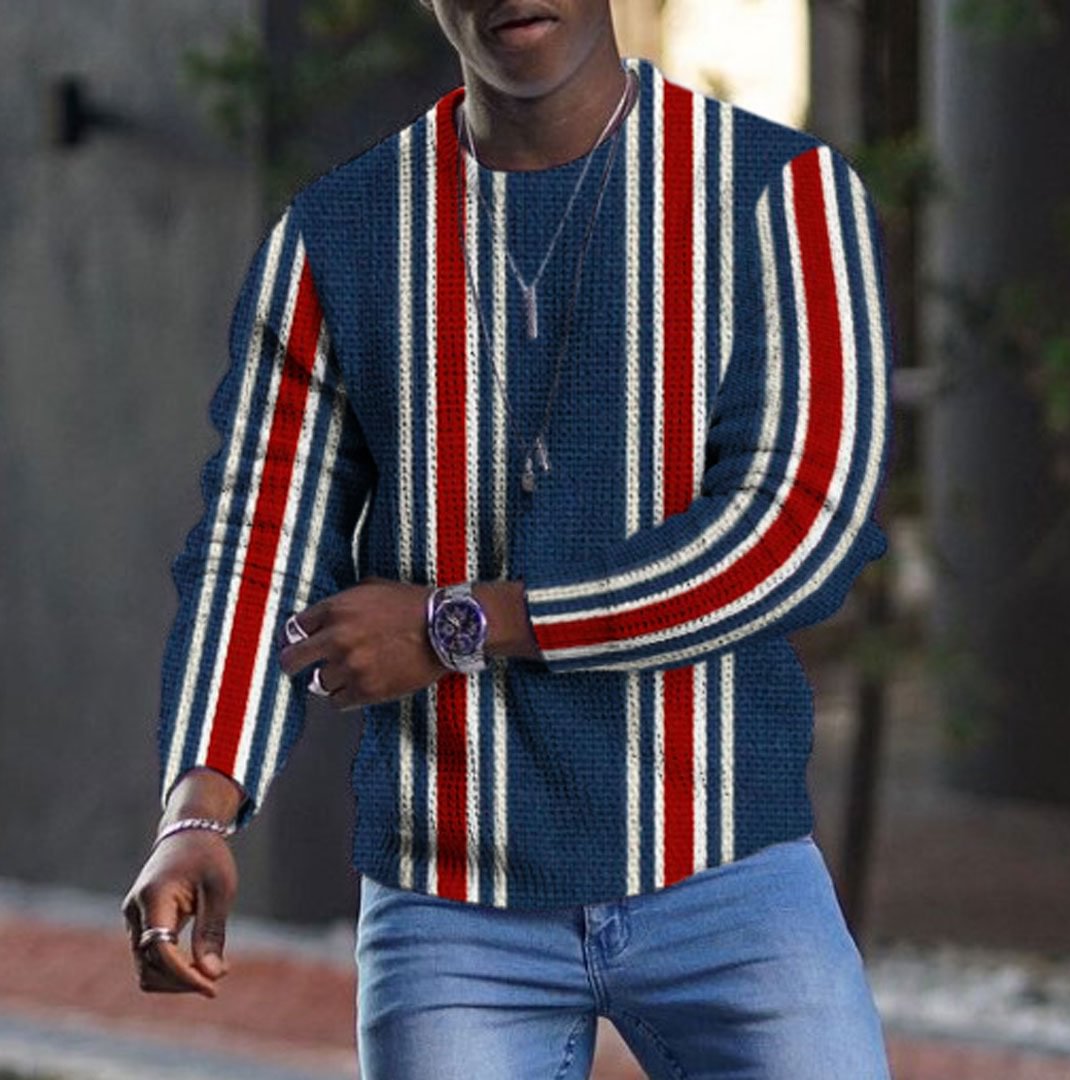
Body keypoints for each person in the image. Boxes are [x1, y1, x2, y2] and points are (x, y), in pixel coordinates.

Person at [123, 0, 896, 1076]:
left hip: (730, 874)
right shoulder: (338, 234)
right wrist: (198, 809)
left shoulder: (781, 195)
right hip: (452, 906)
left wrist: (466, 624)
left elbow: (799, 524)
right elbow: (261, 537)